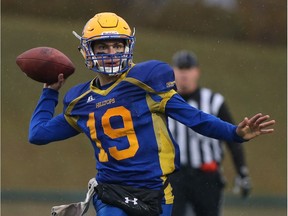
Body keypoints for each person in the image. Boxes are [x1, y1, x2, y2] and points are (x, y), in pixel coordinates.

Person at [28, 12, 275, 216]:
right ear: (87, 51)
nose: (111, 52)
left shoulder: (147, 81)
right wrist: (50, 92)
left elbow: (195, 118)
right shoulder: (80, 100)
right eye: (102, 46)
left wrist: (235, 132)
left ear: (128, 46)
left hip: (156, 190)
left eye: (117, 45)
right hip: (111, 190)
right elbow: (38, 134)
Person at [169, 50, 252, 216]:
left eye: (188, 68)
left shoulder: (214, 101)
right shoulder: (164, 101)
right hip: (175, 177)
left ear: (197, 71)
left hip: (206, 176)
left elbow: (233, 137)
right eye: (180, 68)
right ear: (173, 71)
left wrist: (242, 171)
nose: (184, 74)